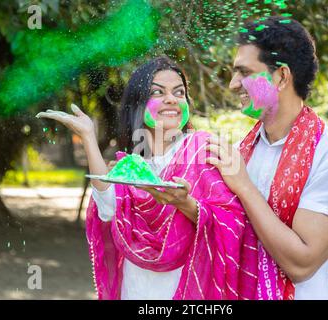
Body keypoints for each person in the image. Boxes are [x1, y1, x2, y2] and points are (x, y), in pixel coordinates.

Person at [36, 57, 281, 300]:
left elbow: (233, 222)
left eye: (179, 92)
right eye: (157, 92)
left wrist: (184, 204)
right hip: (136, 285)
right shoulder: (133, 163)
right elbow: (108, 209)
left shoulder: (204, 150)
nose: (171, 99)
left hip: (189, 285)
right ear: (138, 104)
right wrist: (88, 136)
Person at [206, 16, 328, 299]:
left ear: (281, 76)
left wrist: (243, 187)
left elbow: (301, 263)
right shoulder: (242, 151)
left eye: (244, 72)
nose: (233, 84)